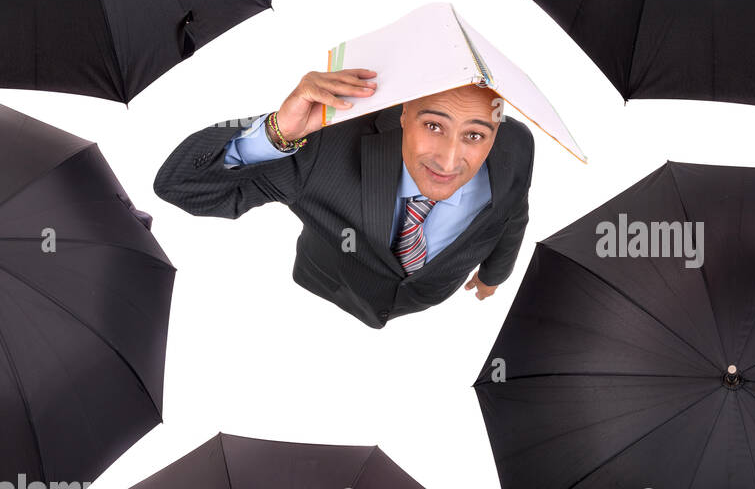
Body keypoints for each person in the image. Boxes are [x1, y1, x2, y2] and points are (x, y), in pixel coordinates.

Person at [154, 68, 533, 328]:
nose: (449, 161)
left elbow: (513, 215)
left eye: (474, 136)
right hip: (327, 290)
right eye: (433, 126)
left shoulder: (517, 145)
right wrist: (278, 132)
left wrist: (493, 275)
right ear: (404, 114)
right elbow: (180, 184)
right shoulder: (324, 150)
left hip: (430, 299)